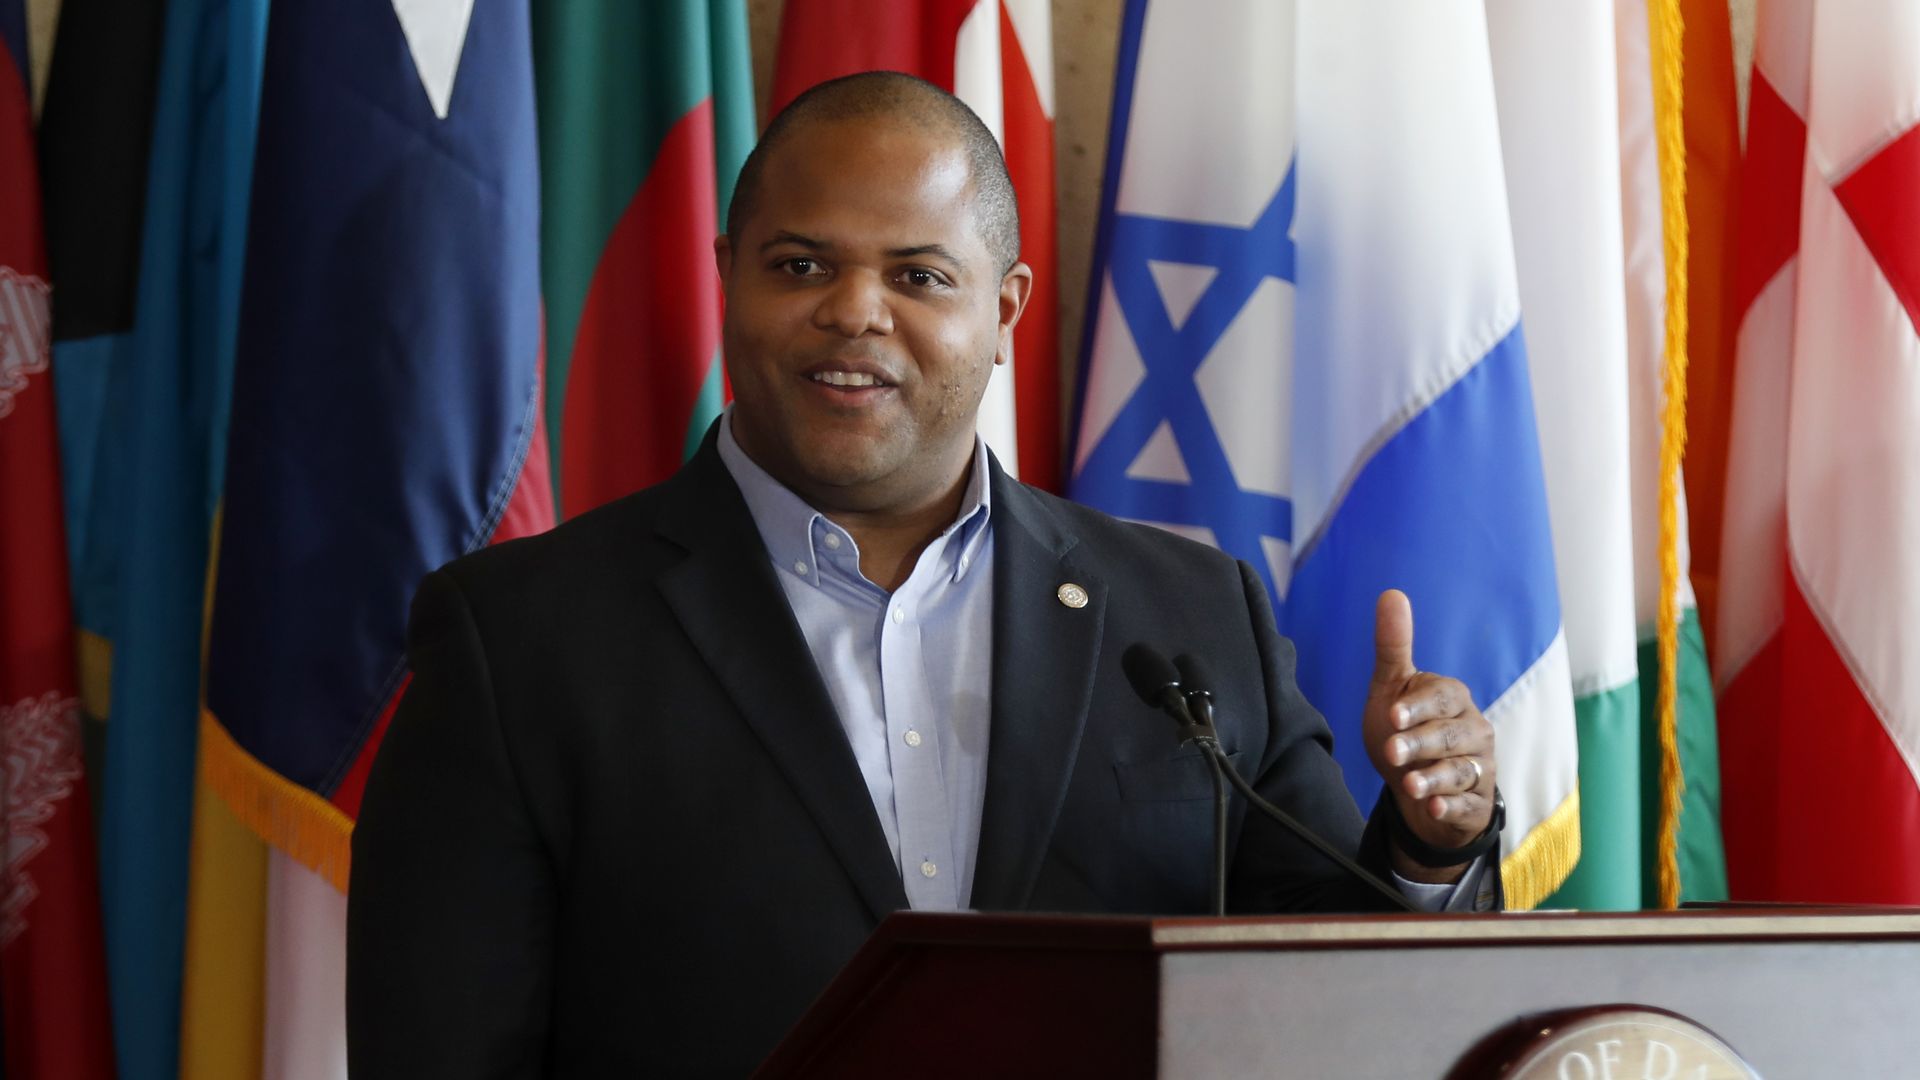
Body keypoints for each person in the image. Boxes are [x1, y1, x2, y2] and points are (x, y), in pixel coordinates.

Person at [346, 71, 1501, 1078]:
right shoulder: (515, 641)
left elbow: (1329, 992)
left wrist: (1429, 848)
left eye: (919, 275)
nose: (854, 312)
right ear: (726, 277)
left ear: (1003, 311)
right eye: (801, 264)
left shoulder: (1196, 617)